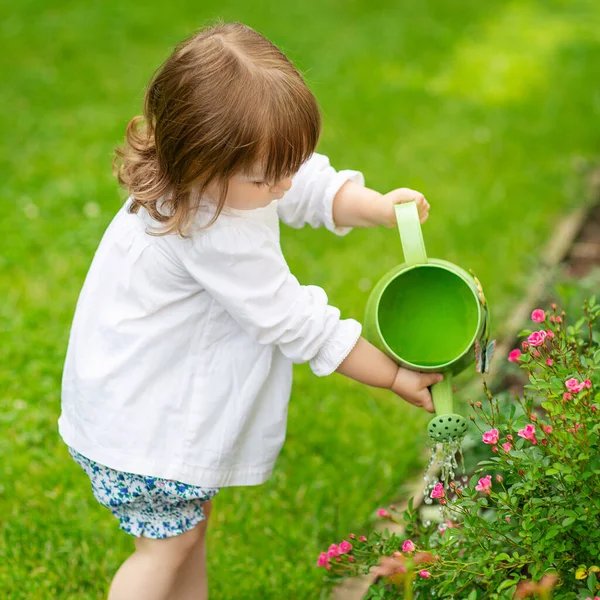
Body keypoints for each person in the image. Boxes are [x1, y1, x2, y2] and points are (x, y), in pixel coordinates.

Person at [58, 21, 443, 600]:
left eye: (290, 163)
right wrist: (391, 374)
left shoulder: (229, 179)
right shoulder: (212, 228)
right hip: (144, 422)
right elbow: (297, 321)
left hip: (144, 402)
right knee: (164, 550)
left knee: (185, 535)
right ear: (201, 163)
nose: (286, 184)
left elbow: (308, 181)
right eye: (269, 176)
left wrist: (375, 207)